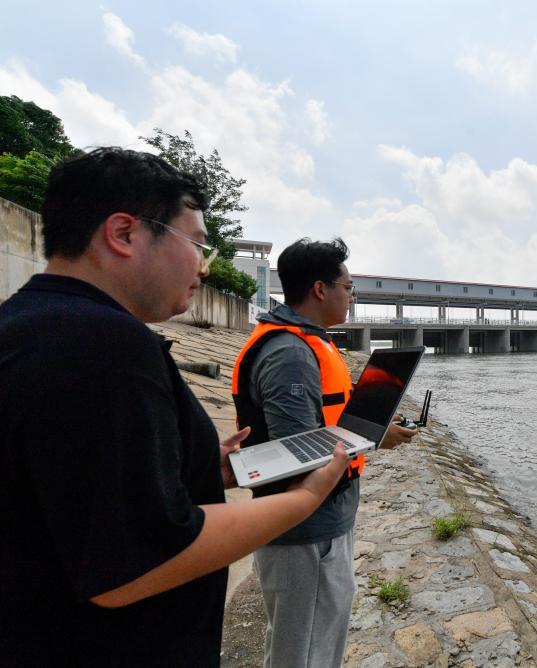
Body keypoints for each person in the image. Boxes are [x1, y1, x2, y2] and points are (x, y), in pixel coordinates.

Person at [0, 148, 349, 666]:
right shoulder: (102, 348)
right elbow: (135, 562)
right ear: (124, 234)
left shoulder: (34, 325)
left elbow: (75, 491)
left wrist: (197, 467)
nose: (204, 268)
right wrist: (306, 497)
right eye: (197, 245)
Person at [231, 237, 416, 667]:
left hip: (325, 522)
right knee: (305, 651)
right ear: (320, 289)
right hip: (306, 533)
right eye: (348, 288)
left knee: (307, 641)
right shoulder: (290, 353)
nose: (351, 298)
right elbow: (300, 455)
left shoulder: (310, 341)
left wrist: (376, 431)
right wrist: (371, 439)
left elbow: (321, 428)